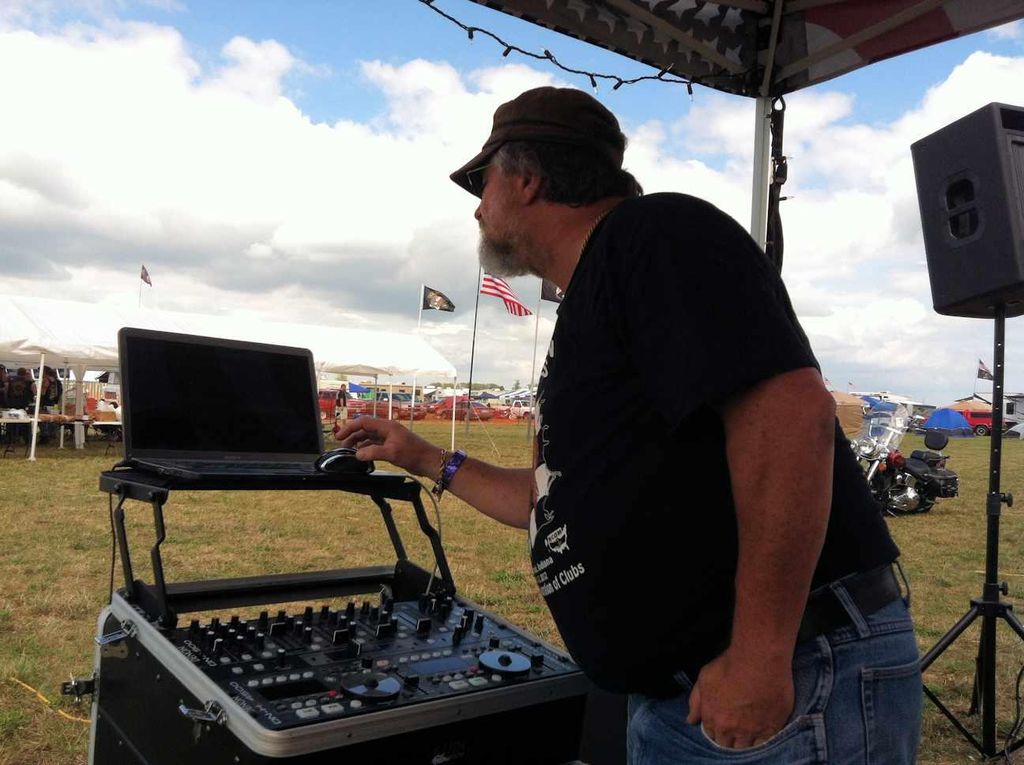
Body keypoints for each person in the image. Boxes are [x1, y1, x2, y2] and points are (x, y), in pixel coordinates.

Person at [336, 86, 920, 764]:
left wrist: (759, 655)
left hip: (783, 686)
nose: (476, 204)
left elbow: (789, 416)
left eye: (481, 180)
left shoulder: (653, 234)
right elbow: (547, 503)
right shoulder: (594, 299)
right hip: (686, 699)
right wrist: (425, 456)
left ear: (526, 180)